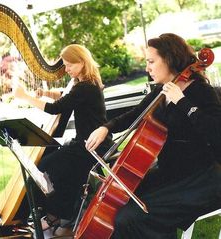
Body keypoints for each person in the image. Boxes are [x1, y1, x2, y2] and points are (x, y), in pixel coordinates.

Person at [85, 33, 221, 238]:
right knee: (117, 204)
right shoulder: (160, 92)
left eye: (151, 61)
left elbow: (216, 131)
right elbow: (135, 115)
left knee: (130, 218)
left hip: (197, 180)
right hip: (169, 174)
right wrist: (107, 127)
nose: (147, 68)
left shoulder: (201, 91)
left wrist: (182, 102)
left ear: (169, 58)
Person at [14, 44, 114, 234]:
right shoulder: (86, 82)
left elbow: (55, 108)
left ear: (82, 62)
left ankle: (52, 214)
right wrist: (45, 93)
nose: (66, 69)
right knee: (59, 167)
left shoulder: (85, 87)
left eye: (69, 65)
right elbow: (65, 95)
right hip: (87, 142)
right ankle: (56, 214)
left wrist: (24, 96)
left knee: (44, 166)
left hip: (91, 145)